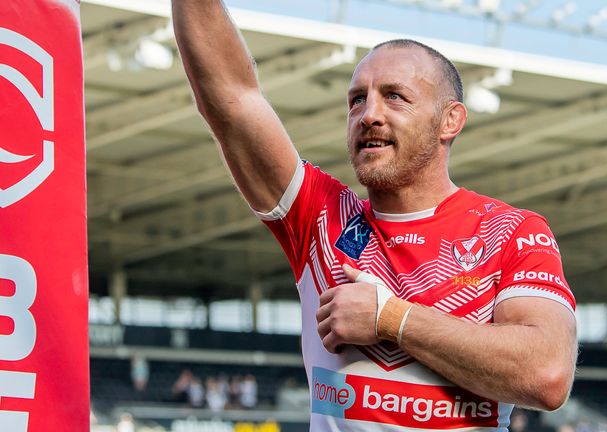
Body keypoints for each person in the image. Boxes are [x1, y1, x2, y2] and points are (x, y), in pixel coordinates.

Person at [172, 2, 577, 430]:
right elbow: (232, 100)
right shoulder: (321, 219)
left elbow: (547, 375)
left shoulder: (509, 231)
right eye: (356, 100)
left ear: (450, 120)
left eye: (394, 97)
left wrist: (390, 319)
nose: (369, 115)